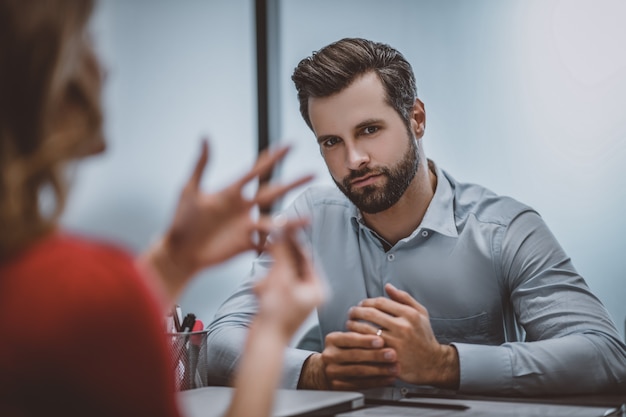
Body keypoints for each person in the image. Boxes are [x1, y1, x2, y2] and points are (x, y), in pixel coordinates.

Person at [205, 37, 626, 396]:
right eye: (332, 141)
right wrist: (317, 370)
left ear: (417, 119)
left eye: (370, 129)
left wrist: (445, 363)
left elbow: (605, 354)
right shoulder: (308, 221)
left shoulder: (505, 230)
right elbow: (219, 343)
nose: (354, 160)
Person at [0, 1, 324, 417]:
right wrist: (270, 334)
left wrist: (171, 262)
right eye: (87, 41)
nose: (106, 67)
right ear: (48, 80)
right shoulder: (82, 290)